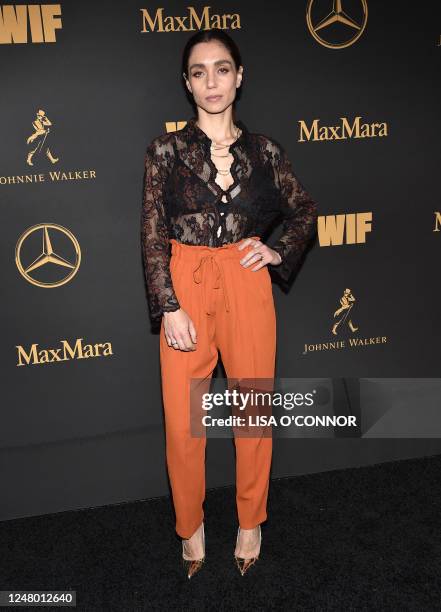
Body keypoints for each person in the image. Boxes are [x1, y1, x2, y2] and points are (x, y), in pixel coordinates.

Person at [141, 28, 318, 578]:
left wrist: (274, 249)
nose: (211, 81)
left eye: (222, 69)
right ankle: (190, 527)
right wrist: (168, 305)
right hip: (185, 282)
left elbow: (304, 211)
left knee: (253, 411)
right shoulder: (164, 152)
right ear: (187, 84)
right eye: (199, 72)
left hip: (245, 284)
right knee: (182, 422)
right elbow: (151, 234)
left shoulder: (266, 151)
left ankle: (249, 520)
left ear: (239, 76)